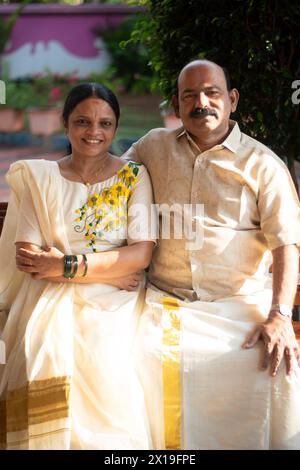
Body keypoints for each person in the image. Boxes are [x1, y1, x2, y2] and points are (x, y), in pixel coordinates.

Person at [123, 59, 300, 450]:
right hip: (166, 302)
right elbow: (109, 187)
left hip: (238, 305)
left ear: (232, 100)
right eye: (190, 95)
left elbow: (287, 243)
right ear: (176, 103)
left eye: (212, 92)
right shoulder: (152, 148)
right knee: (138, 357)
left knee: (271, 368)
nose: (201, 102)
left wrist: (280, 316)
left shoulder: (262, 165)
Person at [0, 83, 156, 450]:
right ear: (65, 124)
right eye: (83, 121)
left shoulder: (133, 177)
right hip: (55, 294)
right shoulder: (41, 178)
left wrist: (65, 266)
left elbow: (140, 256)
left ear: (116, 128)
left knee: (106, 351)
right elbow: (30, 259)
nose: (94, 132)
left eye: (105, 123)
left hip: (117, 300)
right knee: (40, 345)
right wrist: (105, 268)